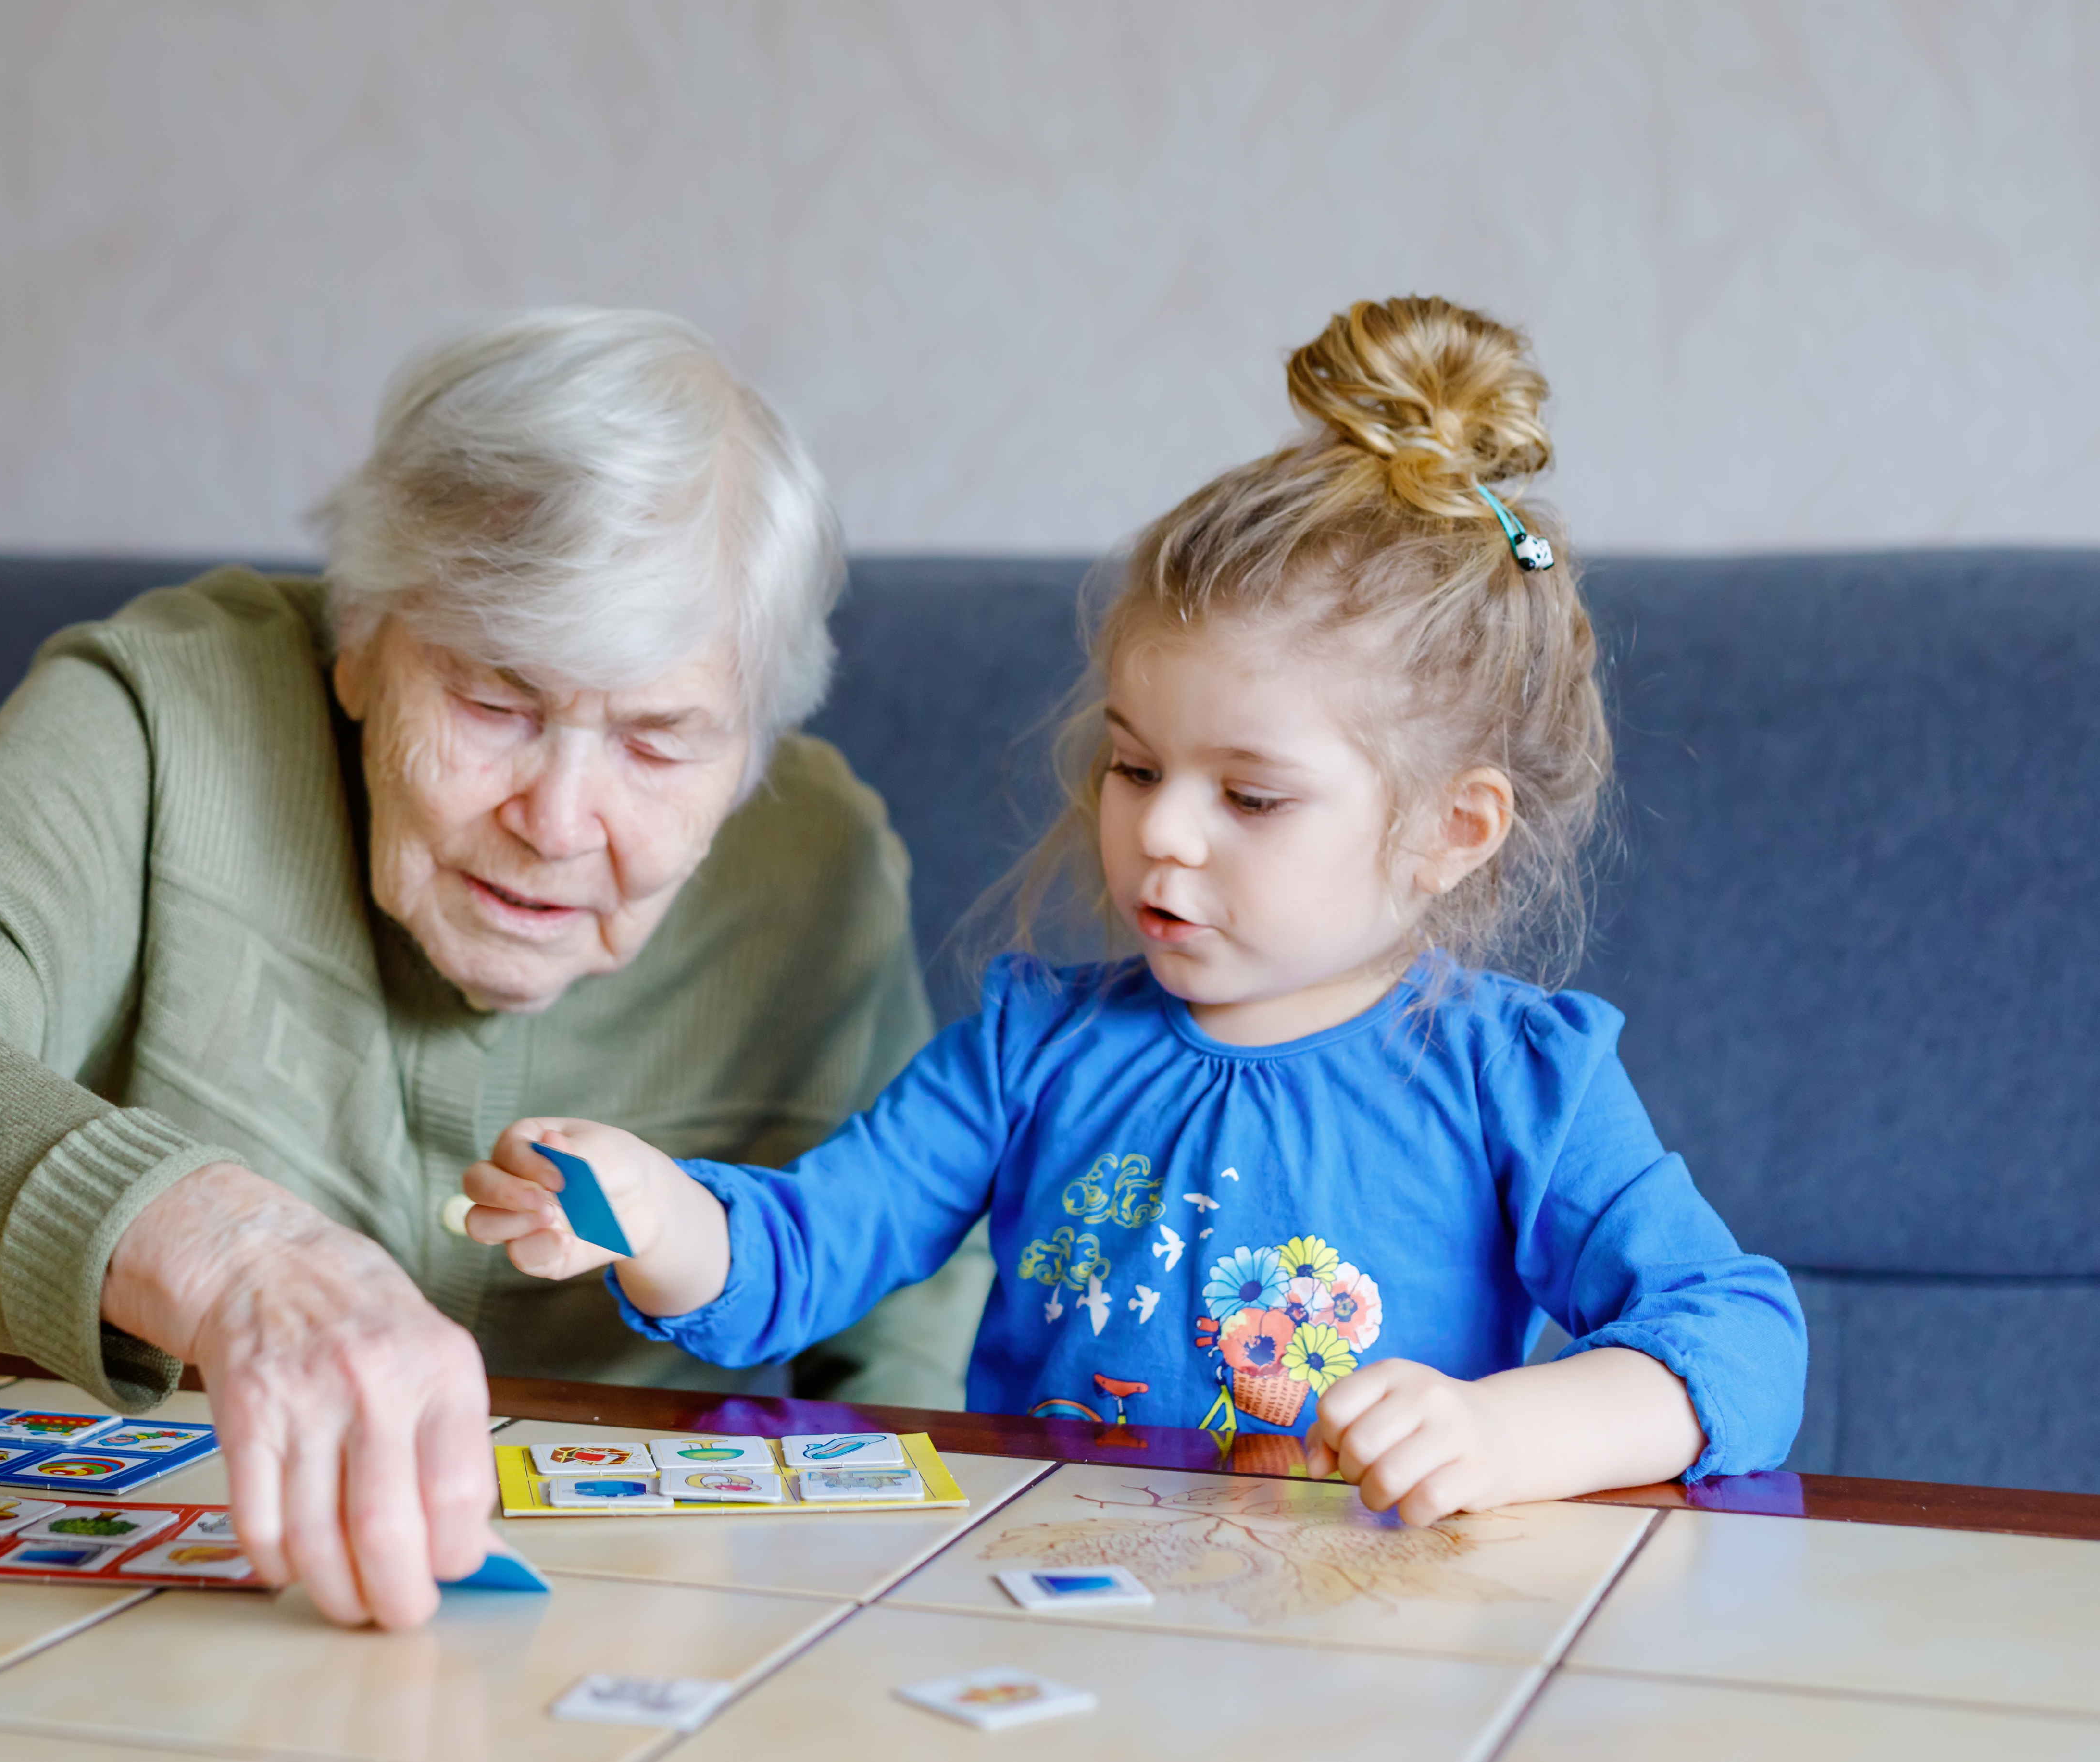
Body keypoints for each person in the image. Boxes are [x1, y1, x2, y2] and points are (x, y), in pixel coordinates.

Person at [0, 309, 990, 1628]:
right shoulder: (172, 709)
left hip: (593, 1627)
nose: (557, 821)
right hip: (35, 1561)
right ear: (363, 638)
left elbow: (910, 1334)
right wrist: (225, 1252)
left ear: (753, 742)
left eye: (660, 743)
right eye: (496, 703)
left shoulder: (819, 864)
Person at [461, 296, 1808, 1522]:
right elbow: (800, 1255)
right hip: (1051, 1627)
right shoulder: (1027, 1047)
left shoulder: (1519, 1080)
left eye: (1253, 797)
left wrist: (1510, 1436)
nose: (1159, 830)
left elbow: (1742, 1335)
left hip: (1364, 1650)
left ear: (1449, 832)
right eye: (1134, 764)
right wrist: (649, 1214)